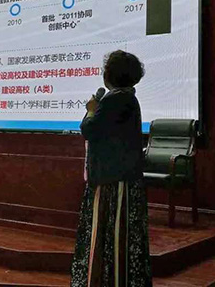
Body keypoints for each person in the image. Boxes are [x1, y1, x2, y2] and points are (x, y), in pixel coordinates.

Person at [71, 50, 152, 287]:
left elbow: (89, 129)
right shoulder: (128, 97)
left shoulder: (114, 99)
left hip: (113, 181)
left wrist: (91, 109)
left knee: (112, 236)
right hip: (122, 178)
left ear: (111, 74)